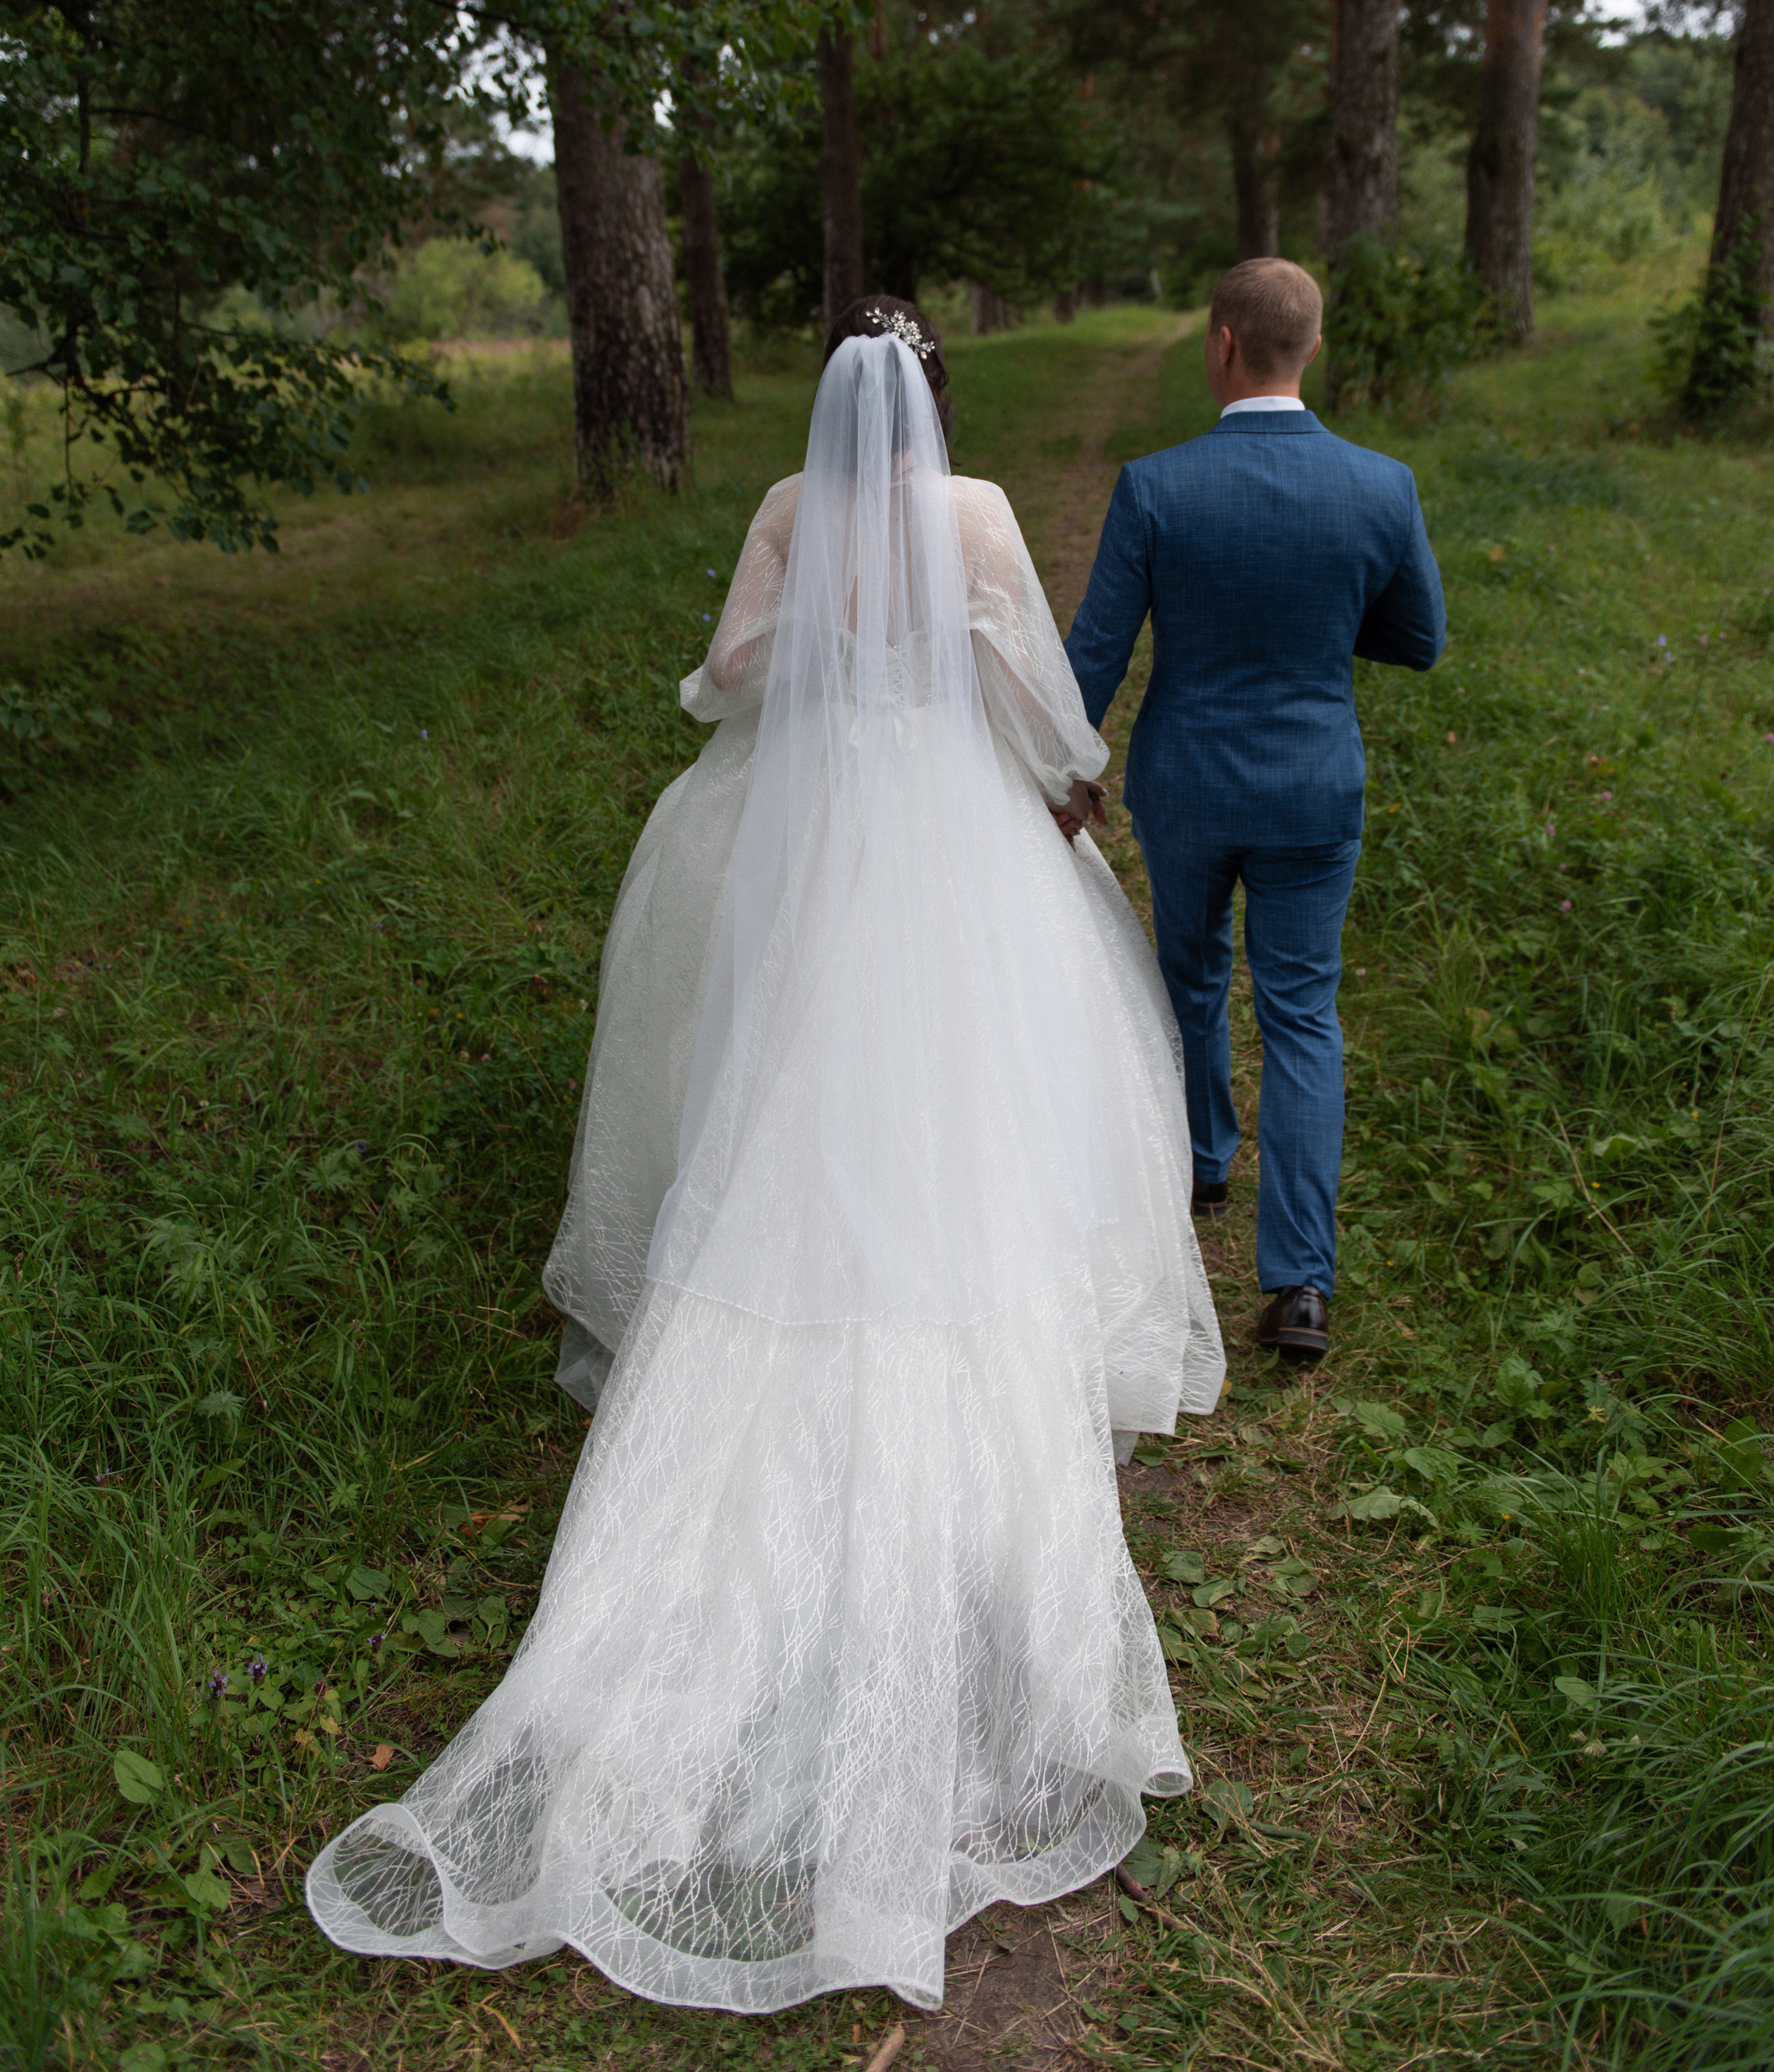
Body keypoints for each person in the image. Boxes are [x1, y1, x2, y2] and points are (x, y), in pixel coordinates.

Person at [307, 296, 1224, 2015]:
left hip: (810, 830)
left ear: (827, 407)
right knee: (968, 1087)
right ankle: (957, 1325)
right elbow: (1026, 683)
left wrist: (811, 644)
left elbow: (717, 678)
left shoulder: (793, 519)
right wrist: (1070, 775)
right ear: (935, 403)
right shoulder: (974, 519)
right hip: (946, 828)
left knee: (789, 1078)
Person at [1063, 258, 1446, 1366]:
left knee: (1187, 977)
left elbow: (1097, 649)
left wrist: (1063, 770)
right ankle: (1302, 1287)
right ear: (1309, 348)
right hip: (1314, 787)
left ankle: (1199, 1167)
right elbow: (1419, 639)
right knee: (1303, 1014)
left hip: (1186, 784)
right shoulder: (1382, 486)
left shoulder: (1156, 486)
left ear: (1223, 343)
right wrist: (1321, 632)